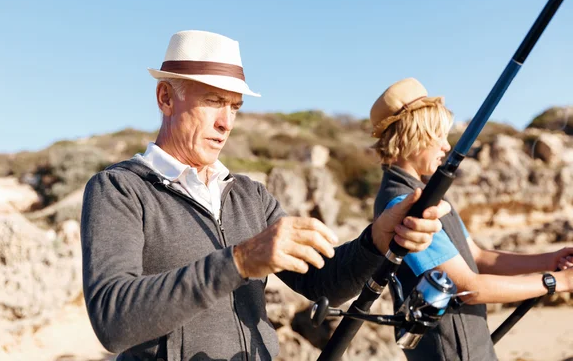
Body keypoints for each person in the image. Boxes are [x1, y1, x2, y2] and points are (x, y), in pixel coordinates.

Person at [80, 31, 452, 361]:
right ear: (165, 97)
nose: (226, 122)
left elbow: (323, 281)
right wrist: (240, 261)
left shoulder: (250, 195)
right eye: (213, 101)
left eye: (235, 107)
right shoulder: (119, 189)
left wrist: (377, 240)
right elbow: (113, 320)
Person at [370, 77, 573, 361]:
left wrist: (549, 260)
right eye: (438, 136)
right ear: (412, 136)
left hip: (472, 347)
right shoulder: (402, 203)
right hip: (452, 353)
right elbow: (467, 287)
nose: (446, 146)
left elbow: (477, 257)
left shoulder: (429, 194)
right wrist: (558, 282)